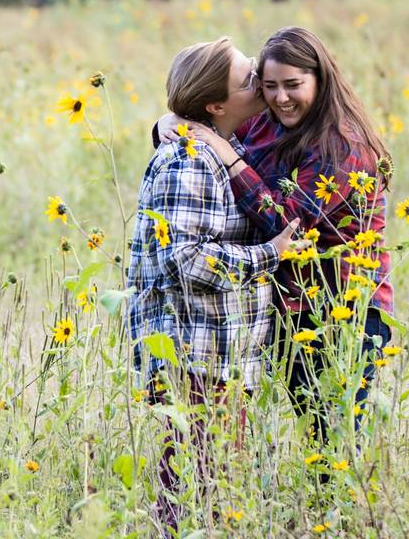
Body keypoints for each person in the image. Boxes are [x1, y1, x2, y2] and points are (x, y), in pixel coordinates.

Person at [154, 27, 394, 443]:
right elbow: (210, 131)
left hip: (343, 311)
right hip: (284, 306)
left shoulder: (343, 145)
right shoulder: (264, 125)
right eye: (269, 86)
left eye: (293, 85)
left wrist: (228, 157)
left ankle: (331, 510)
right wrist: (171, 123)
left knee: (330, 440)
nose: (281, 97)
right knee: (245, 431)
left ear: (320, 79)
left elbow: (287, 224)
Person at [126, 37, 299, 531]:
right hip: (194, 351)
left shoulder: (226, 143)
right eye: (250, 80)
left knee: (215, 484)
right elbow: (182, 258)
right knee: (197, 489)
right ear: (216, 105)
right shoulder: (190, 161)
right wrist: (270, 254)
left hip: (220, 350)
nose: (264, 86)